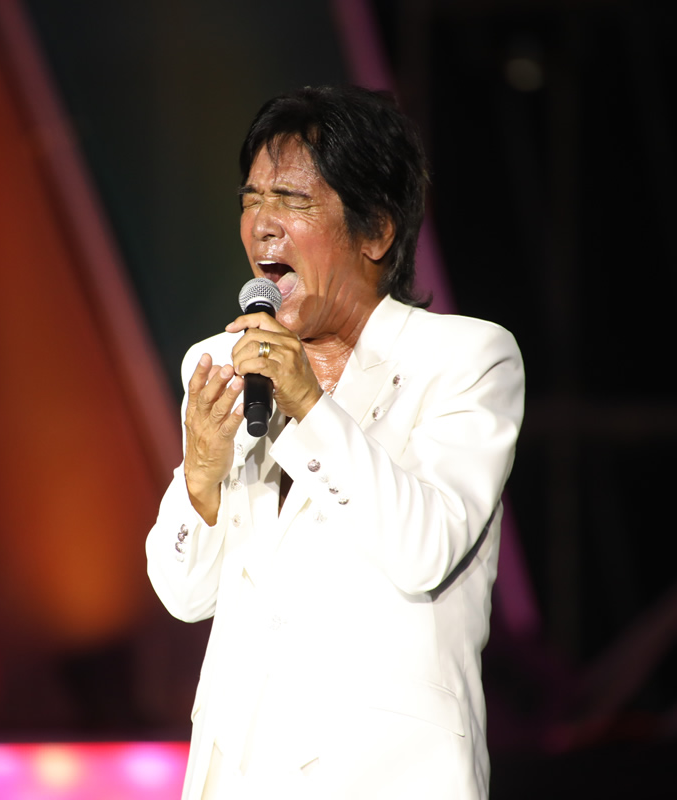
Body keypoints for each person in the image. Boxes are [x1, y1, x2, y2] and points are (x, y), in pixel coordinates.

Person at [145, 85, 524, 800]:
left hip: (387, 779)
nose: (263, 225)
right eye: (252, 200)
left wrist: (309, 405)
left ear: (375, 231)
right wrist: (200, 478)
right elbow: (182, 594)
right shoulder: (221, 363)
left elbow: (426, 549)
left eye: (292, 200)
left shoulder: (466, 359)